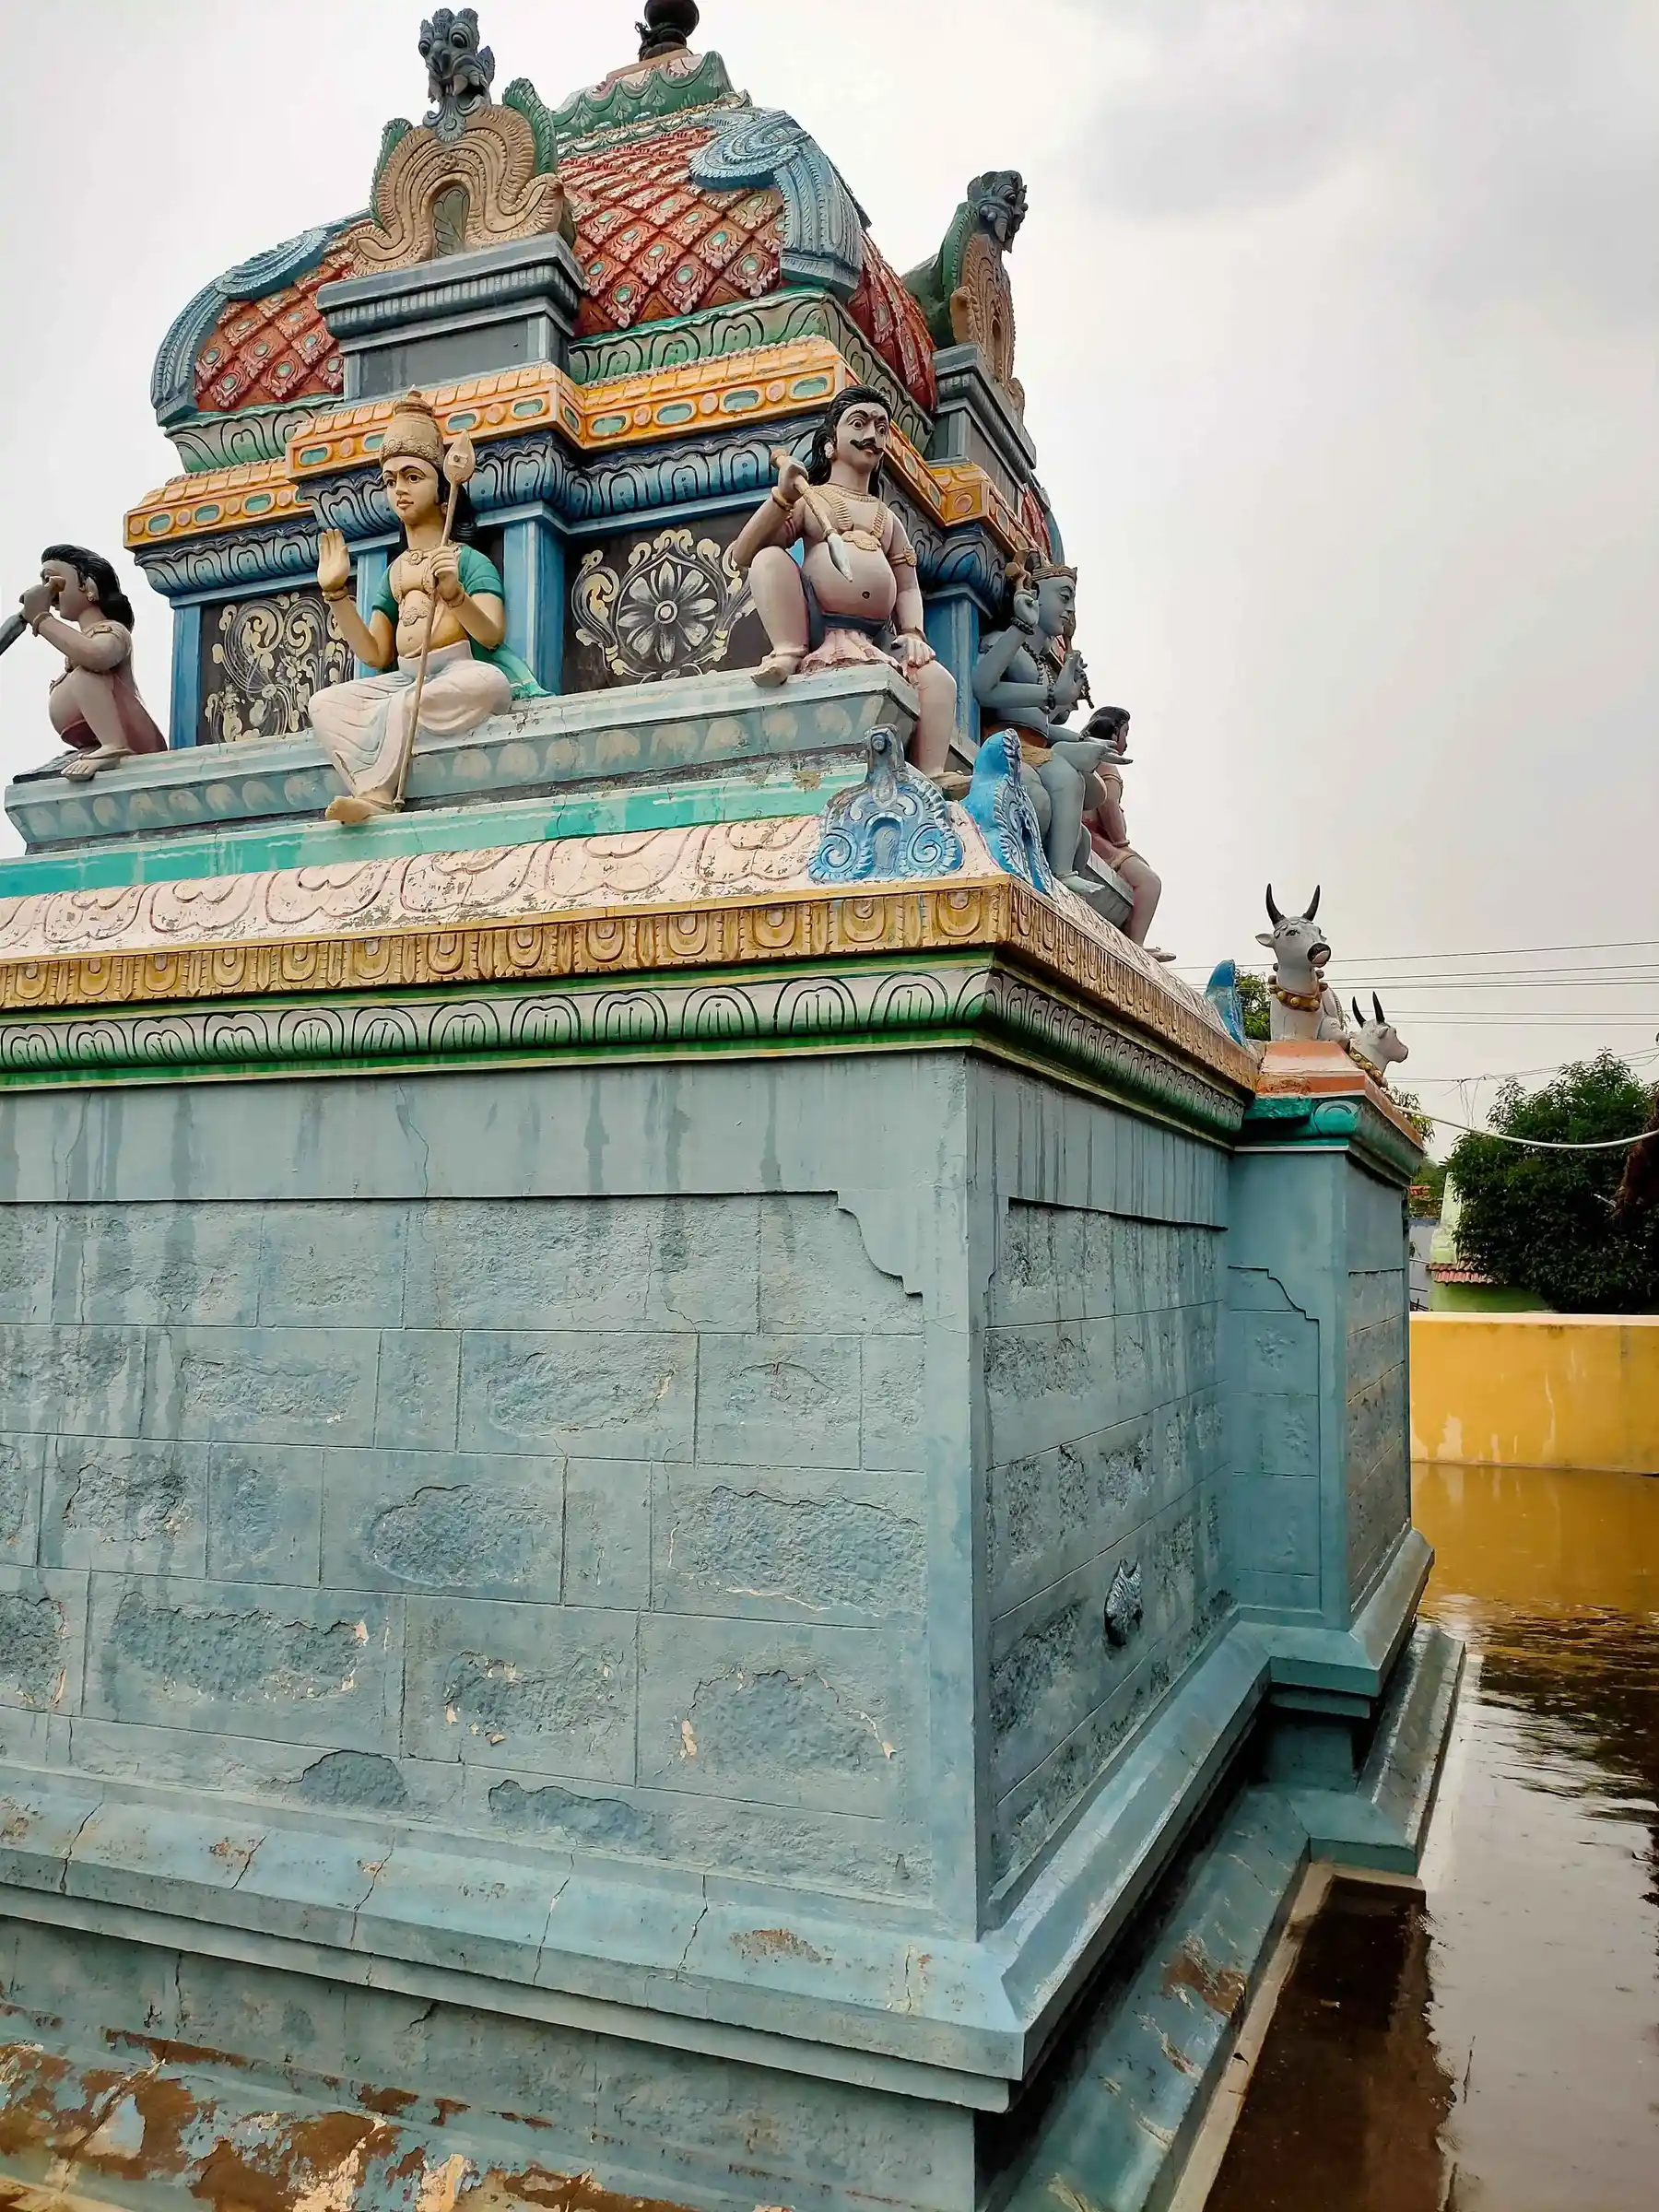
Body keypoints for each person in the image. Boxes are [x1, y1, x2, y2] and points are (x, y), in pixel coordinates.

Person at [308, 394, 541, 822]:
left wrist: (454, 593)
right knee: (325, 703)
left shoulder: (466, 560)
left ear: (442, 489)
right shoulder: (394, 572)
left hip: (459, 670)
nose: (399, 489)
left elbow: (491, 634)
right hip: (404, 678)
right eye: (390, 479)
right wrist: (336, 594)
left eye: (412, 477)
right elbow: (377, 654)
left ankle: (376, 794)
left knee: (437, 695)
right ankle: (369, 786)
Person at [731, 385, 957, 773]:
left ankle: (931, 776)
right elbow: (742, 554)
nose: (872, 435)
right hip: (820, 623)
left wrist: (915, 634)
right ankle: (789, 650)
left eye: (882, 427)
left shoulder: (888, 519)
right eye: (859, 423)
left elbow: (906, 585)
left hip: (876, 637)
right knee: (770, 558)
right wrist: (781, 498)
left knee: (939, 681)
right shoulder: (810, 500)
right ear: (830, 445)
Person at [15, 546, 165, 781]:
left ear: (88, 586)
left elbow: (97, 656)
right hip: (91, 744)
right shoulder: (80, 643)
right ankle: (97, 749)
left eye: (51, 579)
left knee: (87, 673)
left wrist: (42, 620)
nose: (48, 591)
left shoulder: (112, 631)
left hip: (135, 739)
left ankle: (113, 744)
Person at [1079, 707, 1165, 950]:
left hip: (1090, 834)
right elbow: (1107, 803)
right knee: (1149, 883)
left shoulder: (1091, 758)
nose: (1126, 741)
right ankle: (1135, 946)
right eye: (1125, 732)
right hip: (1096, 838)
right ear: (1113, 731)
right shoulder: (1105, 762)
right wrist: (1121, 843)